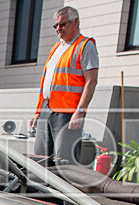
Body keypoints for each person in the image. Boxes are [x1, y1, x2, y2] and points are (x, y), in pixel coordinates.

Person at [29, 6, 98, 165]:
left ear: (75, 22)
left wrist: (80, 111)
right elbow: (47, 83)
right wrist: (38, 111)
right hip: (47, 108)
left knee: (65, 161)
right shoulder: (56, 48)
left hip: (67, 113)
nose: (58, 29)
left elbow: (91, 81)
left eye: (62, 24)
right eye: (56, 25)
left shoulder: (85, 45)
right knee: (40, 158)